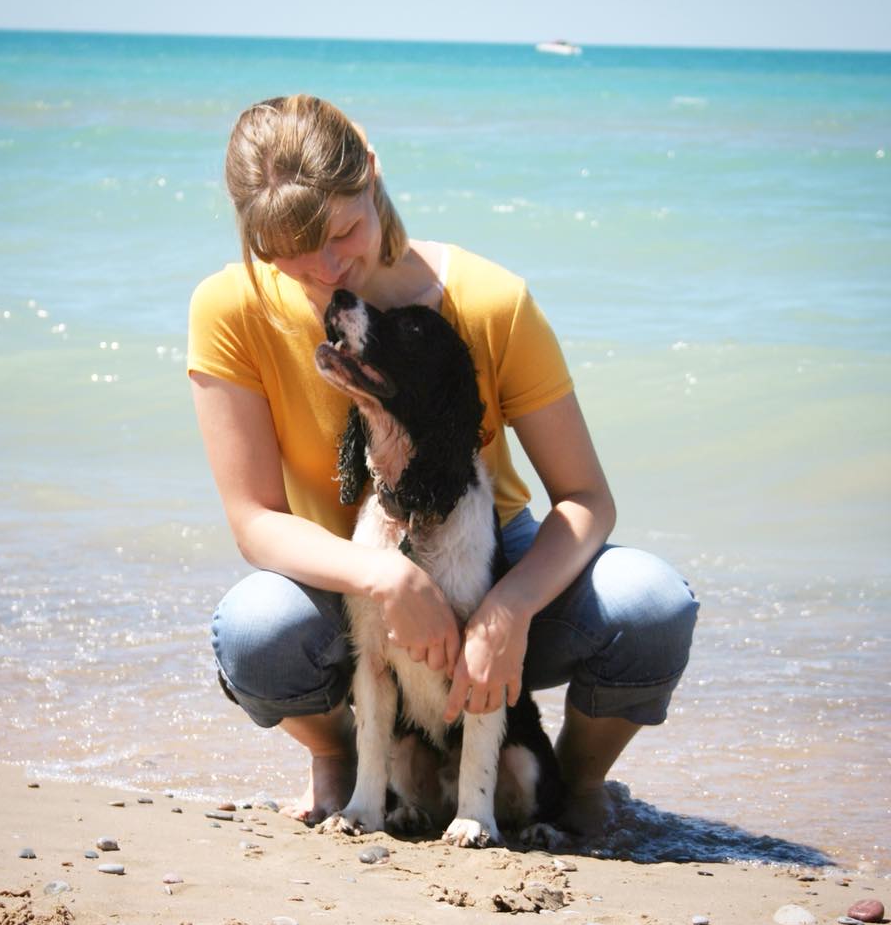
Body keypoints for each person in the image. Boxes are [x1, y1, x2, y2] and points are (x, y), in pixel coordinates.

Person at [188, 94, 697, 834]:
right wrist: (385, 577)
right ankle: (341, 760)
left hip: (485, 547)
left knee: (650, 605)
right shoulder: (227, 308)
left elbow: (587, 499)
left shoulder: (492, 301)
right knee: (256, 634)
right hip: (341, 564)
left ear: (373, 175)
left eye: (343, 232)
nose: (326, 271)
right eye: (286, 255)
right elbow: (254, 521)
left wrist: (509, 606)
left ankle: (575, 779)